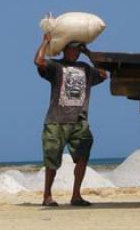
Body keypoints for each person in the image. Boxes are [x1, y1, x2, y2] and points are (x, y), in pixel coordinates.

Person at [34, 34, 107, 207]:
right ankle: (47, 195)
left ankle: (76, 195)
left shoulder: (86, 68)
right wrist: (45, 41)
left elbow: (104, 74)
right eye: (72, 48)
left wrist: (89, 54)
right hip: (56, 120)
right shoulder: (56, 66)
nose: (75, 52)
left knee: (83, 156)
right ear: (64, 49)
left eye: (77, 49)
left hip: (79, 120)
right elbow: (38, 61)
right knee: (52, 159)